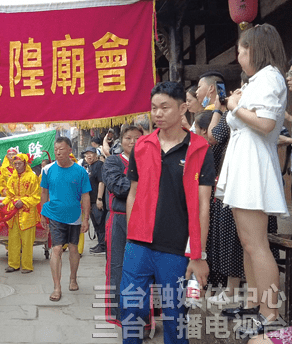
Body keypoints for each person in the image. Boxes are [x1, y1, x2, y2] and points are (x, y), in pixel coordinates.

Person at [120, 81, 215, 344]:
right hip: (138, 246)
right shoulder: (142, 146)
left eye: (164, 107)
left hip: (175, 248)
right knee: (131, 310)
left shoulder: (199, 149)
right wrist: (131, 236)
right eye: (153, 108)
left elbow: (203, 204)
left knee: (175, 317)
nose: (157, 113)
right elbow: (133, 193)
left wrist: (199, 253)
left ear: (183, 108)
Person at [215, 24, 289, 335]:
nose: (238, 55)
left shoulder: (270, 77)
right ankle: (257, 304)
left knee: (257, 244)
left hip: (253, 166)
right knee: (249, 243)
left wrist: (234, 106)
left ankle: (270, 313)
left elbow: (266, 122)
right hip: (245, 164)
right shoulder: (259, 80)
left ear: (256, 50)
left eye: (242, 50)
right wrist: (238, 102)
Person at [40, 136, 91, 302]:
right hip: (54, 215)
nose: (58, 152)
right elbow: (44, 193)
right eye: (55, 149)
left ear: (70, 150)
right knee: (56, 249)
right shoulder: (47, 170)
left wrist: (86, 219)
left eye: (61, 149)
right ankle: (57, 287)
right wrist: (42, 214)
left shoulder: (80, 171)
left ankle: (73, 278)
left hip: (74, 216)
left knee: (74, 249)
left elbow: (85, 196)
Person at [102, 124, 142, 326]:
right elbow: (118, 187)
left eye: (137, 138)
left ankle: (144, 318)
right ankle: (120, 315)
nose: (133, 142)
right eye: (128, 138)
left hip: (144, 220)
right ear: (121, 141)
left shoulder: (150, 161)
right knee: (118, 266)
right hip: (119, 220)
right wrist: (146, 185)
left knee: (143, 269)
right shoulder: (112, 161)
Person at [2, 153, 41, 273]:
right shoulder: (12, 177)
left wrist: (23, 201)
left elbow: (36, 196)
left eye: (20, 164)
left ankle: (27, 266)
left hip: (27, 214)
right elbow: (9, 194)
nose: (17, 166)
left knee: (27, 242)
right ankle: (13, 264)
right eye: (15, 164)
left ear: (25, 164)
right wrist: (3, 203)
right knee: (13, 240)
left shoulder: (32, 177)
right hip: (13, 214)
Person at [83, 146, 106, 255]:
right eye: (86, 154)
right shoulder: (89, 167)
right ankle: (100, 243)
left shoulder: (99, 165)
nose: (88, 156)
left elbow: (102, 182)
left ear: (96, 155)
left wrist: (99, 199)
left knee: (100, 222)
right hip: (91, 201)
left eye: (90, 153)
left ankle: (103, 245)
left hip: (97, 200)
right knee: (96, 223)